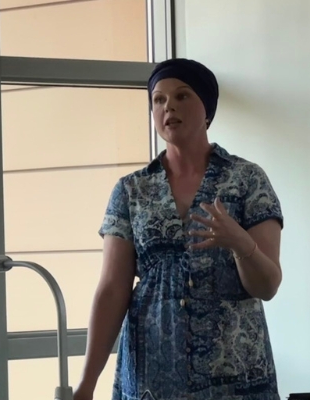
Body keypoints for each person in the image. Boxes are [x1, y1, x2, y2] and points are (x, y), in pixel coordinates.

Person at [73, 58, 284, 400]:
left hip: (235, 375)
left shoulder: (247, 179)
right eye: (158, 99)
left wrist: (240, 243)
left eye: (182, 96)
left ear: (207, 111)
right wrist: (86, 384)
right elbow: (112, 291)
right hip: (152, 375)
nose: (168, 106)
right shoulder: (131, 190)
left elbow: (268, 285)